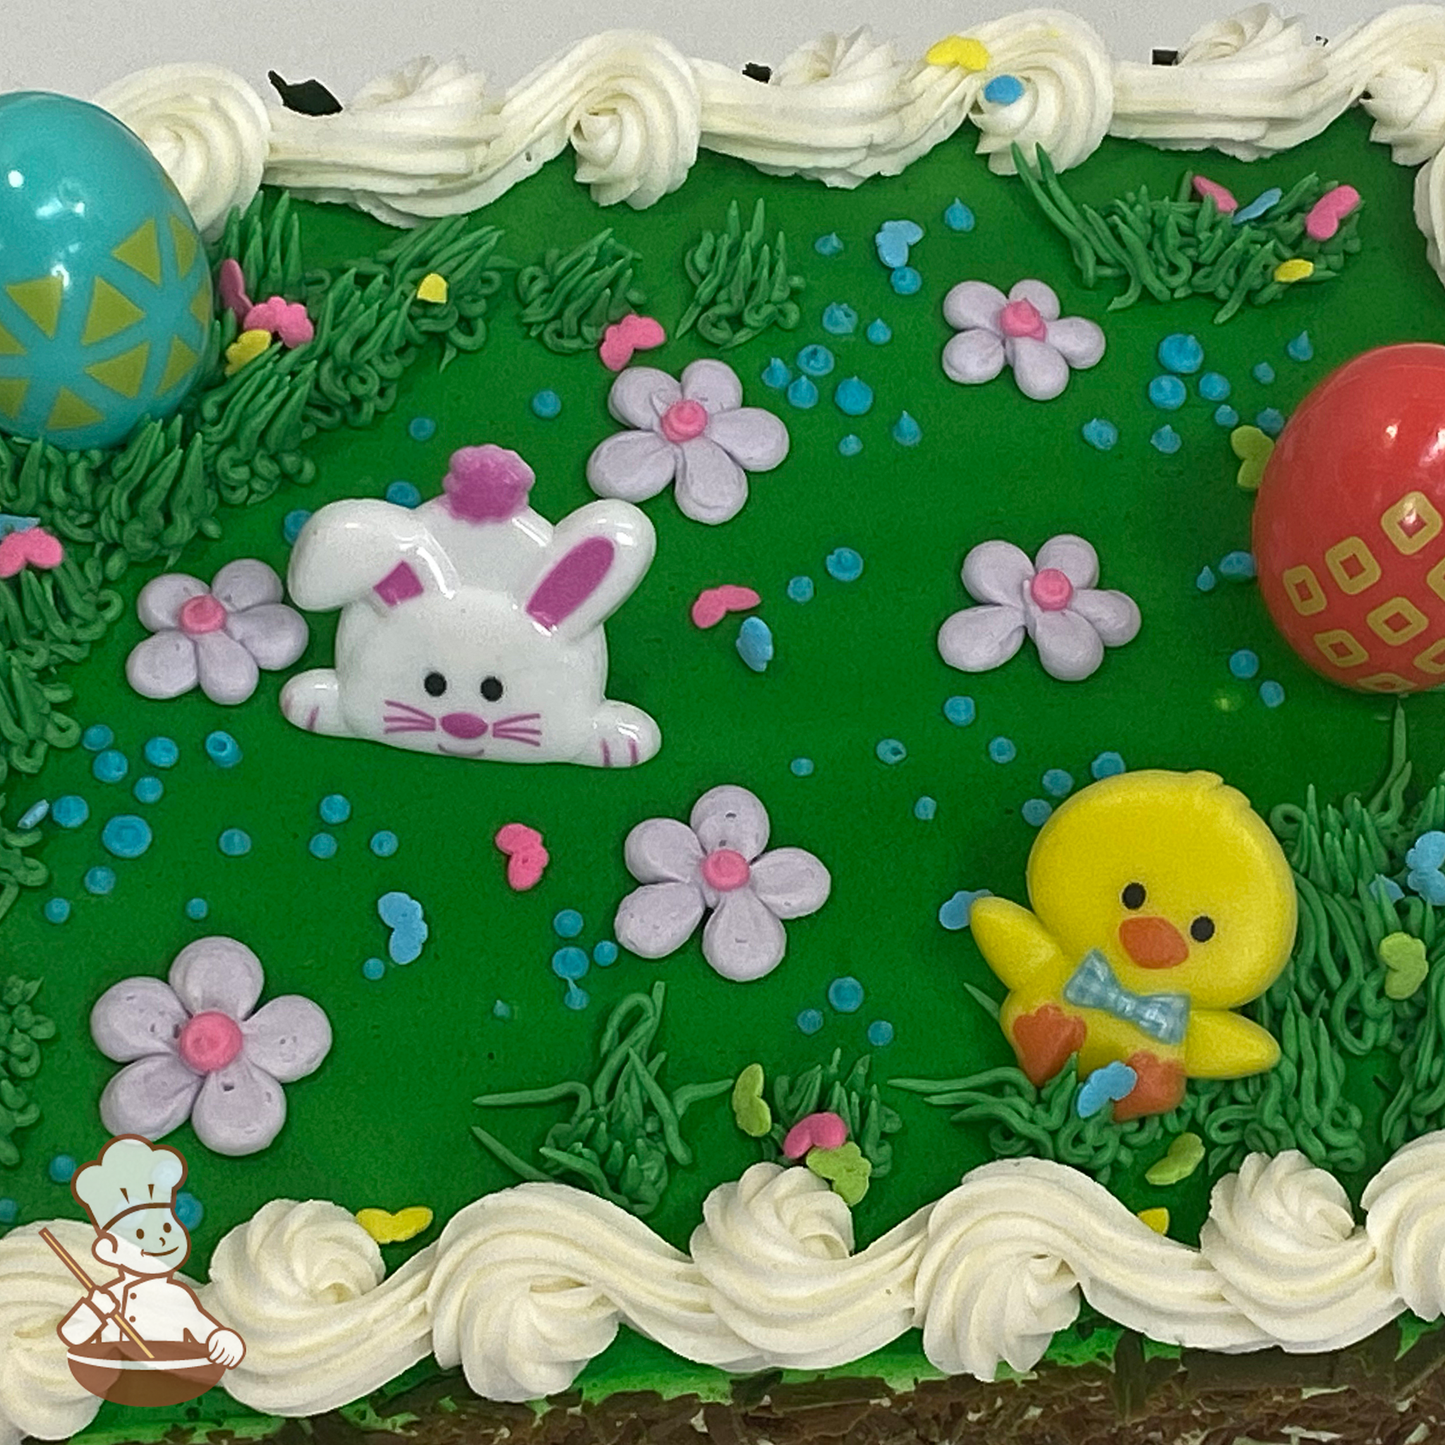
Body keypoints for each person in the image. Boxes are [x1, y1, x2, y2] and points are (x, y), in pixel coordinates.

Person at [56, 1135, 244, 1367]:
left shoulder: (178, 1294)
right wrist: (96, 1311)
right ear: (109, 1251)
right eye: (142, 1237)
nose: (161, 1243)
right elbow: (71, 1336)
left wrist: (224, 1339)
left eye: (167, 1228)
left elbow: (209, 1328)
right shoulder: (110, 1295)